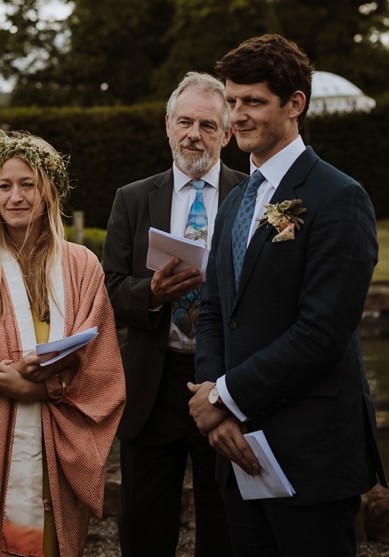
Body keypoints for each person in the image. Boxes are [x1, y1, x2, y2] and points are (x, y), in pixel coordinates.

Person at [187, 34, 385, 557]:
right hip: (236, 446)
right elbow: (214, 311)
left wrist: (222, 399)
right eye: (231, 102)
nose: (237, 116)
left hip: (309, 451)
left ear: (295, 104)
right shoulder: (233, 202)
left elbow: (322, 332)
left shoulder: (339, 198)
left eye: (252, 101)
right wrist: (216, 401)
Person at [0, 132, 126, 557]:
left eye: (27, 184)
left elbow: (101, 365)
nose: (14, 197)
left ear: (49, 191)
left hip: (54, 445)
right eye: (4, 185)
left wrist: (44, 389)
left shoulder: (81, 266)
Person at [102, 72, 244, 556]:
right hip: (153, 385)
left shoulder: (250, 197)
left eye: (207, 125)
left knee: (224, 524)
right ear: (167, 124)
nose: (193, 135)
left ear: (226, 134)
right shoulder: (134, 198)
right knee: (143, 527)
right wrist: (154, 294)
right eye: (185, 122)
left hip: (225, 384)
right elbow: (110, 288)